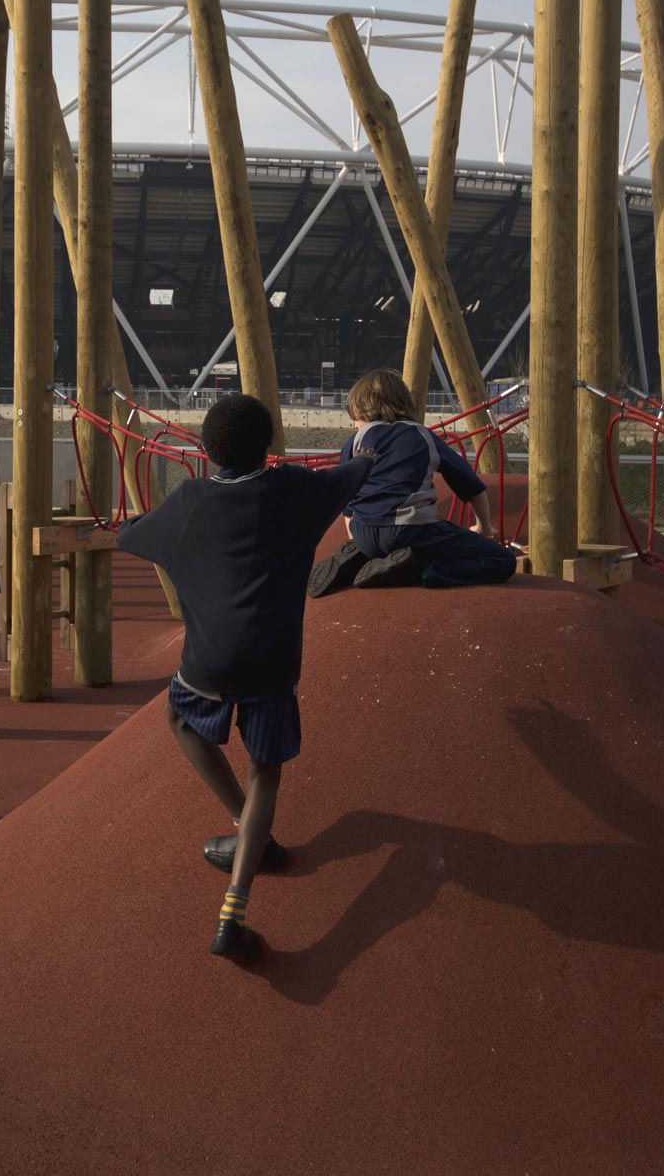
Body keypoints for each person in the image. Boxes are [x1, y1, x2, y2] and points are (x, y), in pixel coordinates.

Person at [117, 393, 374, 964]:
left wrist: (132, 525)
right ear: (269, 448)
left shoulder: (188, 502)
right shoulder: (293, 492)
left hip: (208, 661)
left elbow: (131, 535)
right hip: (273, 662)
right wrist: (370, 448)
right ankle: (234, 906)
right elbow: (355, 471)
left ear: (207, 451)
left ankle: (243, 827)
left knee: (180, 717)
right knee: (266, 774)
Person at [308, 366, 519, 595]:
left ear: (363, 412)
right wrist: (483, 526)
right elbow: (472, 487)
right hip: (409, 531)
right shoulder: (421, 435)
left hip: (362, 531)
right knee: (502, 559)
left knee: (378, 540)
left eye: (355, 417)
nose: (354, 424)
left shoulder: (352, 442)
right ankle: (423, 570)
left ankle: (361, 559)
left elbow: (348, 502)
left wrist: (357, 542)